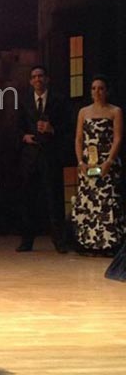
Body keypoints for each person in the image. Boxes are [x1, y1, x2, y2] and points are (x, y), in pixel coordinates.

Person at [15, 65, 68, 253]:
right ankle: (27, 241)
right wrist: (24, 137)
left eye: (40, 76)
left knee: (54, 199)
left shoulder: (59, 100)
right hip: (30, 157)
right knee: (28, 199)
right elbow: (17, 126)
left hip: (51, 155)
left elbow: (68, 126)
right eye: (34, 77)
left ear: (47, 79)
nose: (37, 79)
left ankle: (59, 241)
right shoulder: (24, 101)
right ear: (31, 81)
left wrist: (52, 129)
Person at [72, 75, 124, 256]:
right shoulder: (83, 112)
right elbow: (79, 139)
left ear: (107, 91)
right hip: (88, 163)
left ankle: (109, 244)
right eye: (94, 88)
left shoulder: (115, 111)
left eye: (101, 88)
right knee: (88, 202)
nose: (97, 92)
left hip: (107, 161)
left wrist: (109, 161)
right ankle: (89, 243)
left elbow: (117, 138)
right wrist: (80, 161)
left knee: (107, 201)